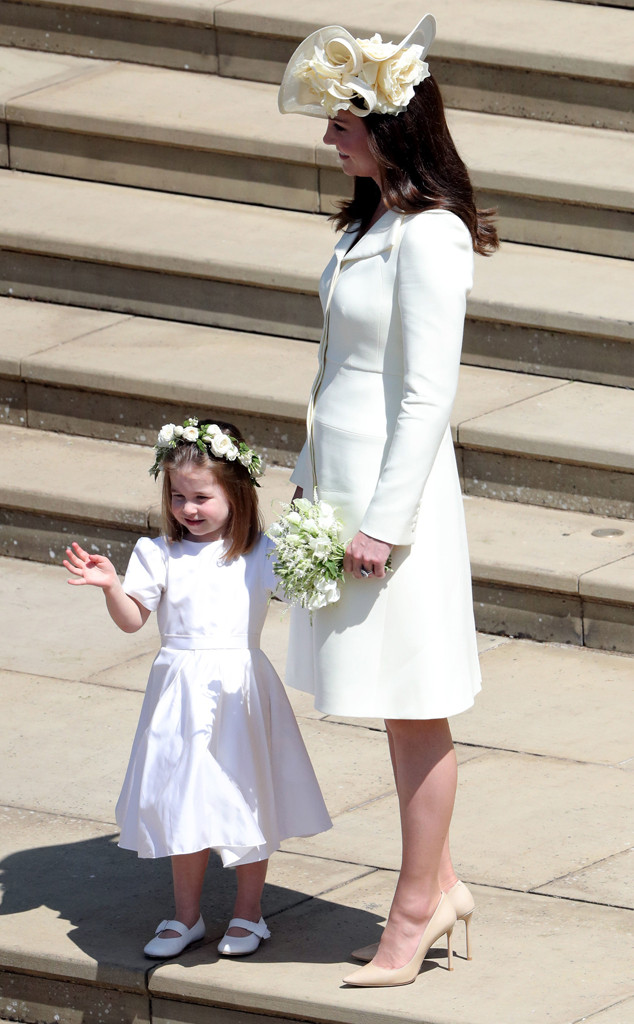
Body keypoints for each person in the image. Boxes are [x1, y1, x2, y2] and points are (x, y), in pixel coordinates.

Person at [278, 14, 498, 987]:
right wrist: (307, 484)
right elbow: (338, 373)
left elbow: (424, 392)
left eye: (342, 121)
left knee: (415, 706)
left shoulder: (433, 235)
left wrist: (383, 523)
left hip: (391, 508)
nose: (329, 135)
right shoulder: (370, 220)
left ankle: (413, 910)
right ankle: (440, 882)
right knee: (392, 704)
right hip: (343, 487)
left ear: (390, 127)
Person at [64, 418, 331, 960]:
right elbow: (133, 620)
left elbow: (309, 594)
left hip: (239, 693)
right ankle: (185, 917)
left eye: (202, 496)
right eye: (179, 496)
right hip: (179, 697)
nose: (189, 507)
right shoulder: (158, 553)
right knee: (183, 801)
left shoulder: (259, 554)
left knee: (245, 798)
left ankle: (248, 913)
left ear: (235, 493)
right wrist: (112, 586)